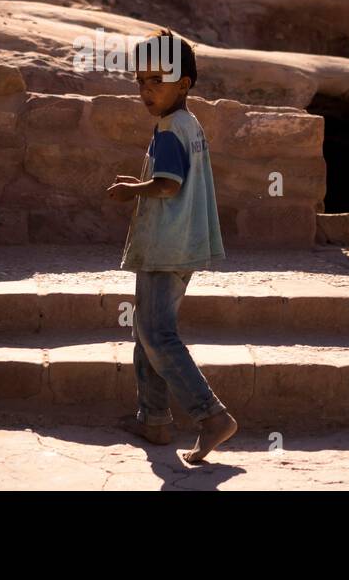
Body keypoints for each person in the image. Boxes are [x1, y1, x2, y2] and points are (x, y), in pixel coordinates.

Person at [105, 28, 237, 464]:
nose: (146, 89)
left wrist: (130, 190)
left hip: (165, 247)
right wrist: (140, 185)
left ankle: (211, 416)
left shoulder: (167, 130)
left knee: (158, 335)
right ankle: (154, 419)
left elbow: (166, 186)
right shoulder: (189, 122)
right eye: (140, 81)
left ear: (184, 83)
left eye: (157, 80)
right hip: (181, 245)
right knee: (145, 332)